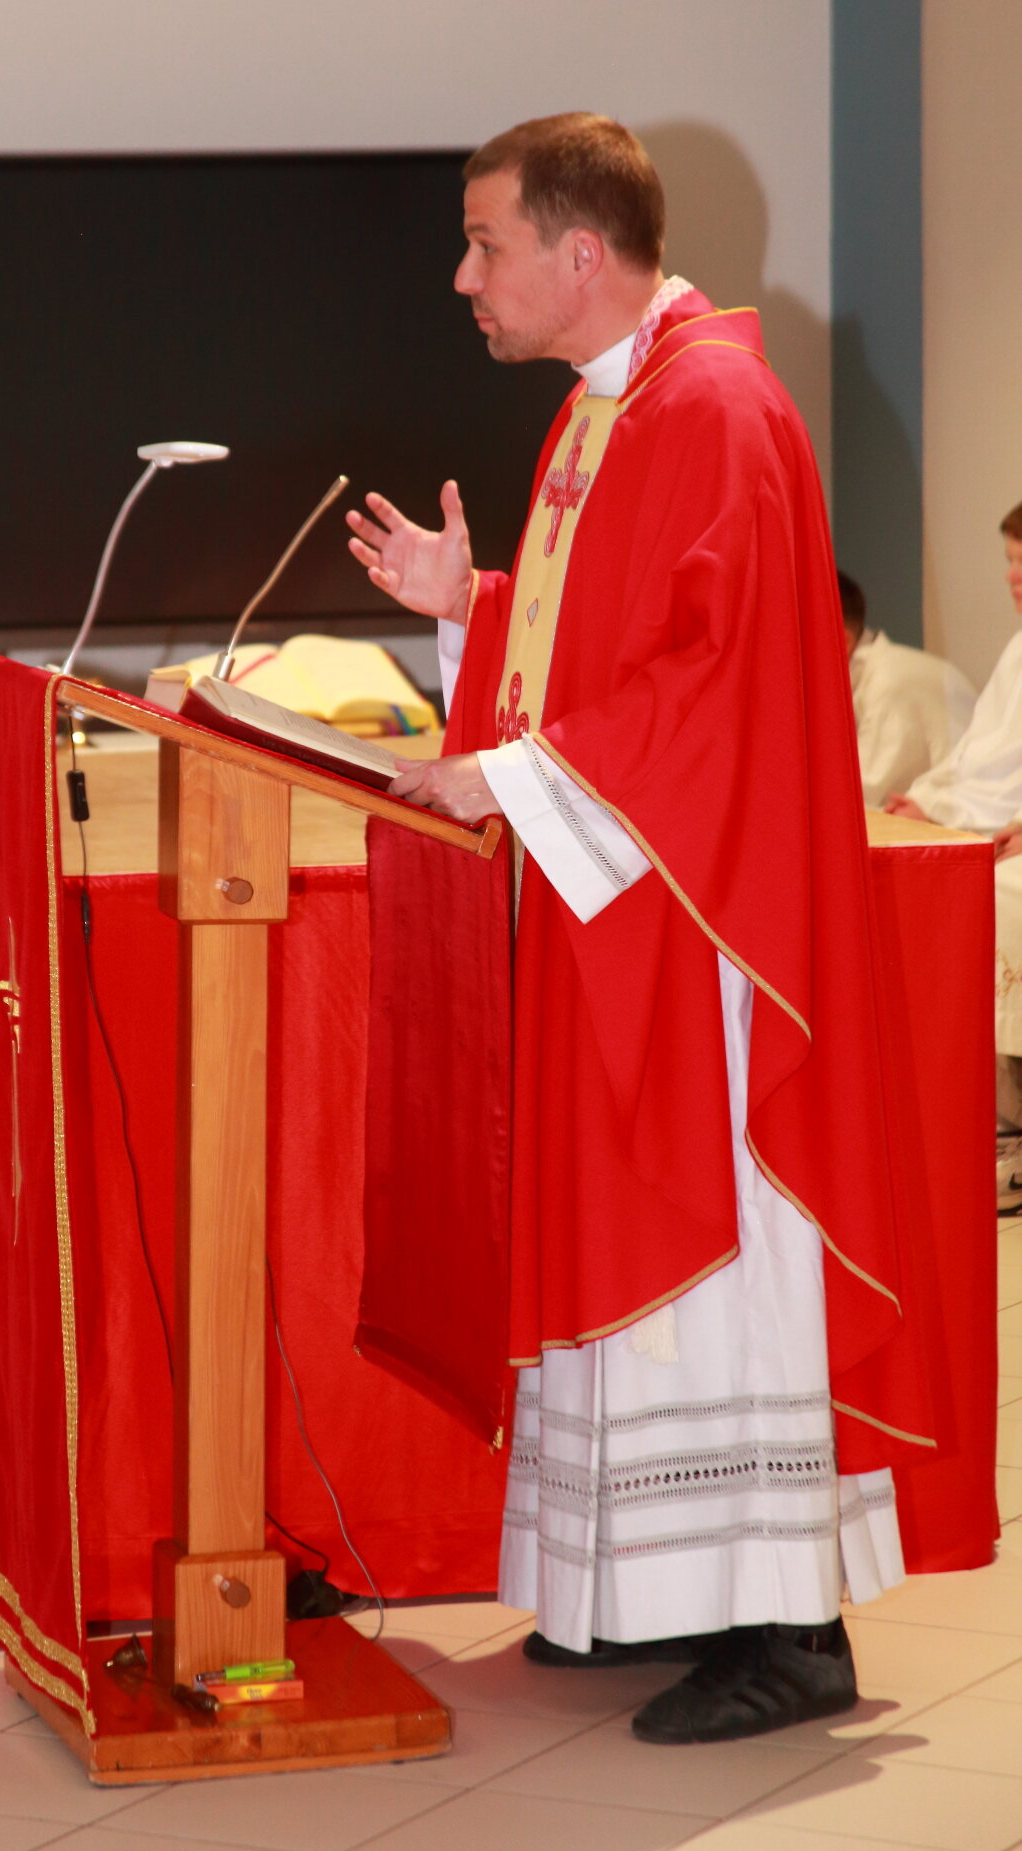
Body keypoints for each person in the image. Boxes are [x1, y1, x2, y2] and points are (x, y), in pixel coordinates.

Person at [347, 113, 926, 1745]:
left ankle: (784, 1627)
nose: (463, 277)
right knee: (633, 1258)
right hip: (622, 910)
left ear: (578, 251)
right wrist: (468, 608)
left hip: (702, 924)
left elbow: (714, 680)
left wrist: (497, 774)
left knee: (713, 1258)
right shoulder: (603, 411)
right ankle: (659, 1596)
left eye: (485, 244)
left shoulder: (714, 407)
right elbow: (597, 648)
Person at [884, 509, 1022, 1210]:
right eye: (1009, 561)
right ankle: (936, 1115)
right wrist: (930, 797)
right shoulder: (1018, 649)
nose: (1013, 577)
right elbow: (980, 757)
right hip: (999, 828)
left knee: (998, 899)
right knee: (922, 879)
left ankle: (1009, 1130)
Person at [838, 570, 975, 806]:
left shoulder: (888, 681)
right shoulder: (874, 675)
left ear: (843, 641)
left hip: (966, 819)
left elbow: (857, 801)